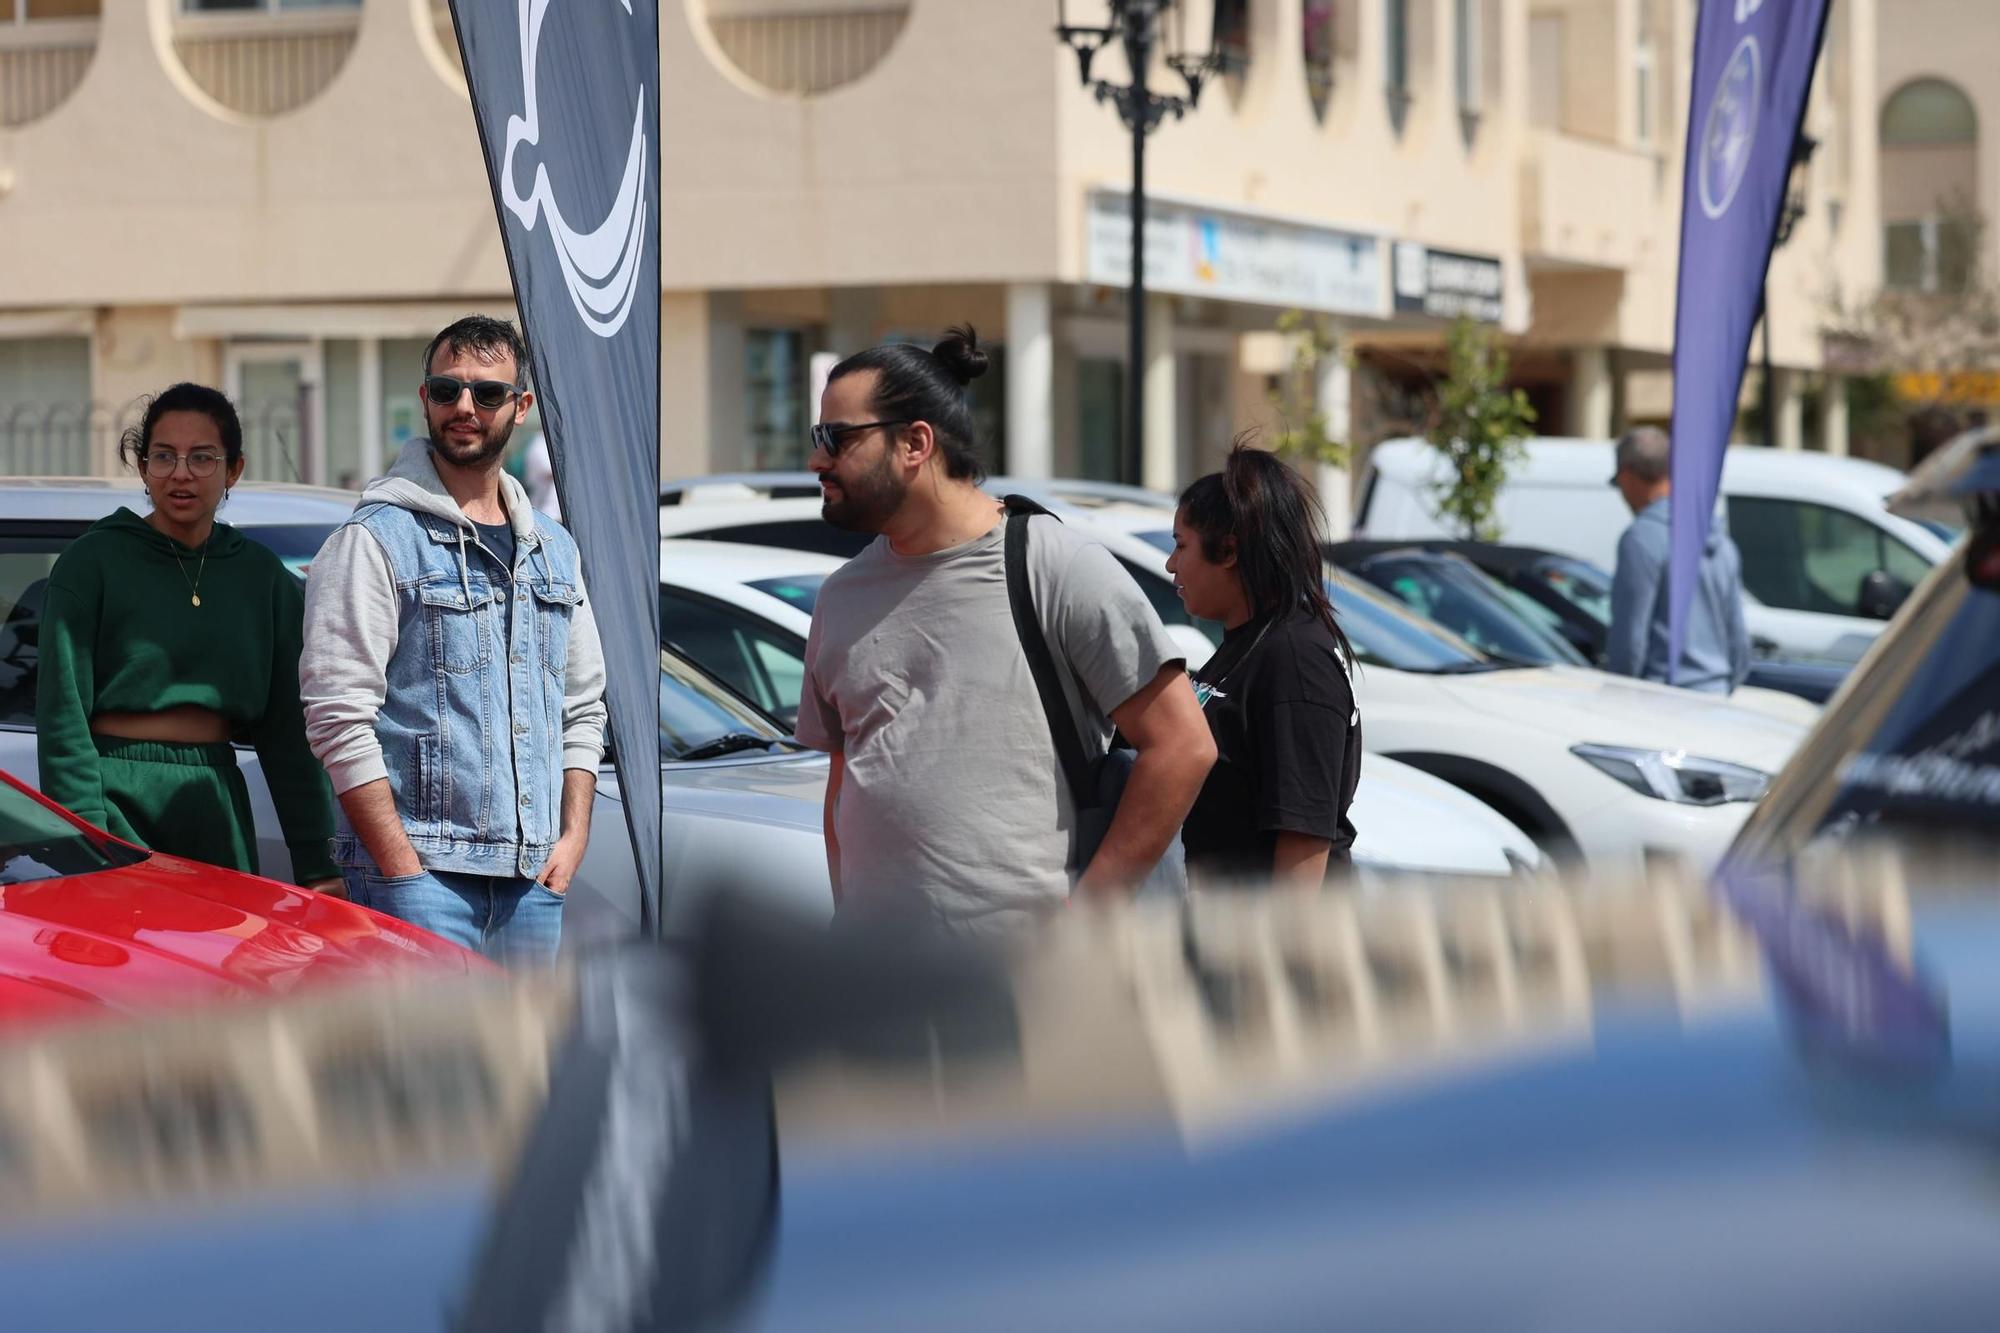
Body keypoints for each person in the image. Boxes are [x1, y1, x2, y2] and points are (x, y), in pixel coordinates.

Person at [794, 325, 1215, 935]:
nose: (816, 460)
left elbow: (1183, 746)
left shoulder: (1055, 565)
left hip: (1029, 985)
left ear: (915, 442)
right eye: (817, 437)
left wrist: (1087, 922)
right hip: (883, 988)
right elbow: (844, 784)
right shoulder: (839, 598)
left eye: (836, 438)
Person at [299, 315, 607, 965]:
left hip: (532, 885)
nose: (464, 406)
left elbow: (582, 705)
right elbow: (336, 714)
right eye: (447, 390)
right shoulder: (374, 539)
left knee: (521, 1069)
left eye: (487, 393)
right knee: (427, 1069)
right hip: (421, 881)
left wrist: (573, 835)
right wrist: (402, 869)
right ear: (425, 399)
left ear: (521, 406)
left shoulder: (554, 549)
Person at [35, 384, 340, 891]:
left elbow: (290, 734)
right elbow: (62, 718)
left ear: (233, 470)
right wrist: (86, 841)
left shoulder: (260, 576)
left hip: (215, 801)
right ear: (142, 468)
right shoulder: (91, 563)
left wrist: (317, 862)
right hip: (116, 799)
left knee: (217, 966)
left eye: (202, 458)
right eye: (164, 456)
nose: (181, 473)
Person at [1167, 445, 1362, 888]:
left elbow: (1303, 840)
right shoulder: (1249, 644)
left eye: (1181, 546)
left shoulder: (1294, 661)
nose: (1171, 564)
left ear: (1229, 550)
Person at [1606, 426, 1751, 694]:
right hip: (1715, 697)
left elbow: (1630, 642)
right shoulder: (1717, 537)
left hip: (1663, 702)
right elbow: (1739, 642)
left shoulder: (1642, 538)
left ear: (1627, 476)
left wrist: (1617, 696)